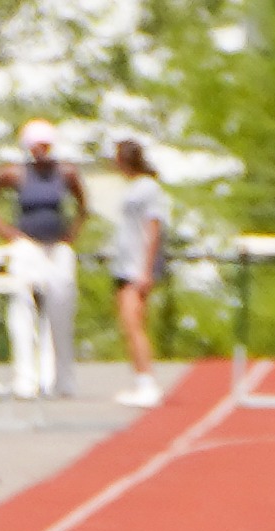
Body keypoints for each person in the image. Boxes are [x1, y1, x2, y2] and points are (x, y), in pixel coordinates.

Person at [0, 119, 85, 399]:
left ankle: (62, 379)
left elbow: (83, 205)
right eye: (36, 145)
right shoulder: (15, 174)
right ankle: (25, 378)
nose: (41, 149)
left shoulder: (66, 172)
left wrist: (72, 233)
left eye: (46, 144)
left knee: (61, 311)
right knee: (22, 309)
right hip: (26, 246)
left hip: (57, 247)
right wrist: (5, 230)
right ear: (27, 146)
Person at [109, 139, 169, 408]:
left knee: (133, 322)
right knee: (129, 323)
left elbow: (154, 227)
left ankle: (147, 381)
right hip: (124, 263)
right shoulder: (133, 188)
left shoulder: (149, 189)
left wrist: (146, 269)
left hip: (137, 265)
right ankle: (140, 378)